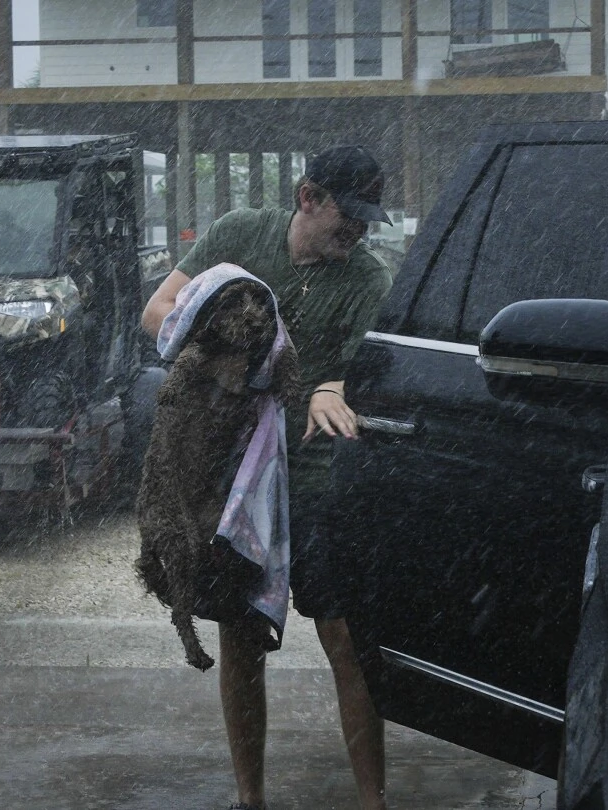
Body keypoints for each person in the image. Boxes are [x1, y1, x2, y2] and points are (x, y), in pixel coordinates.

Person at [141, 145, 396, 810]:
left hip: (316, 486)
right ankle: (249, 798)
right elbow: (158, 310)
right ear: (308, 197)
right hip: (235, 485)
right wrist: (230, 349)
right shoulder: (238, 236)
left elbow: (359, 373)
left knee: (346, 640)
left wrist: (330, 389)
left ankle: (374, 801)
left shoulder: (369, 282)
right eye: (350, 215)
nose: (359, 231)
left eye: (369, 218)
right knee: (240, 639)